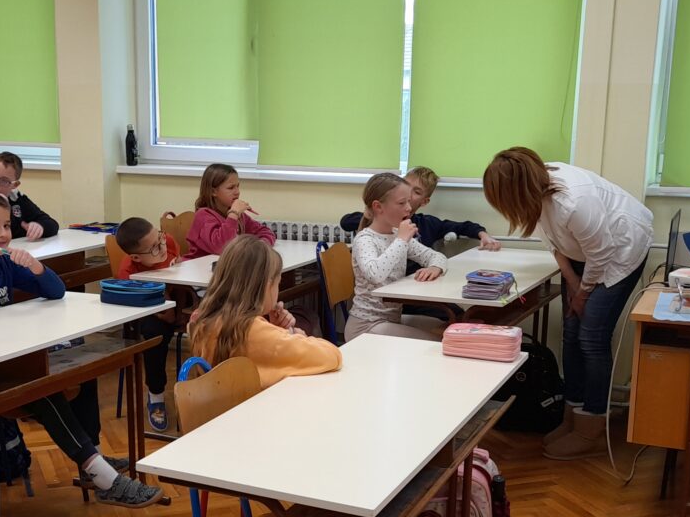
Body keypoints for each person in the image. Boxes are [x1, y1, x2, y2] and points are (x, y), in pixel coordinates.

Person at [0, 192, 163, 507]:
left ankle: (94, 461)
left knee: (80, 367)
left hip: (0, 360)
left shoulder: (3, 263)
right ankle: (104, 478)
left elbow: (56, 291)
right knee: (43, 388)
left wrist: (35, 266)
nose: (3, 233)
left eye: (6, 225)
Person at [482, 147, 652, 460]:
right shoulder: (534, 195)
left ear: (516, 192)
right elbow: (555, 246)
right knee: (571, 332)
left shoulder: (574, 202)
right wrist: (574, 285)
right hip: (584, 254)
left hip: (620, 249)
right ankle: (572, 417)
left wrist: (583, 294)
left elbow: (601, 254)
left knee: (592, 337)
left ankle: (592, 428)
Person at [189, 235, 341, 388]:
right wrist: (295, 334)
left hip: (224, 402)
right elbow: (332, 356)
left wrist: (275, 329)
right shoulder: (254, 331)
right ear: (268, 286)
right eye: (278, 283)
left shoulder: (203, 320)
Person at [346, 173, 448, 342]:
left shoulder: (396, 235)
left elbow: (436, 256)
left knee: (446, 328)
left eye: (408, 201)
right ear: (378, 207)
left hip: (390, 320)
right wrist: (401, 240)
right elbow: (375, 274)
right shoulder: (365, 239)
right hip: (366, 326)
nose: (408, 208)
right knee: (437, 343)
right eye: (402, 203)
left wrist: (435, 267)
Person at [113, 216, 181, 432]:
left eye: (160, 238)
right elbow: (139, 307)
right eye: (154, 248)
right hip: (150, 311)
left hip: (180, 300)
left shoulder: (168, 242)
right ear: (135, 257)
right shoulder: (128, 275)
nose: (162, 247)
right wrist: (166, 310)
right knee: (154, 335)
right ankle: (156, 394)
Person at [339, 165, 501, 253]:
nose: (408, 194)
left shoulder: (427, 224)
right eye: (405, 186)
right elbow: (346, 221)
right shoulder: (378, 222)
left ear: (424, 201)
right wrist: (375, 216)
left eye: (416, 192)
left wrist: (483, 235)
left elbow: (464, 226)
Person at [185, 163, 276, 258]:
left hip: (226, 264)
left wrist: (261, 246)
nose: (237, 192)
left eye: (238, 186)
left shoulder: (238, 215)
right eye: (231, 188)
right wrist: (233, 214)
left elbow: (266, 232)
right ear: (213, 191)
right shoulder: (203, 215)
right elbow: (221, 247)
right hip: (199, 265)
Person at [0, 151, 58, 242]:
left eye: (4, 181)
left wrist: (39, 227)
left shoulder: (18, 200)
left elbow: (52, 224)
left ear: (15, 185)